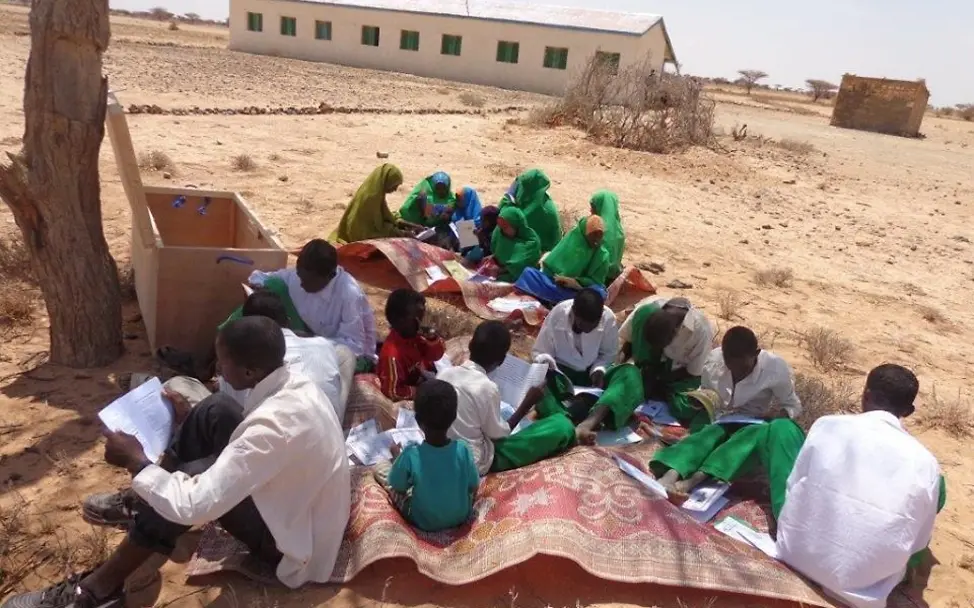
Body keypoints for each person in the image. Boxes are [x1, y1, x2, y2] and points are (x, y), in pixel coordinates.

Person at [12, 317, 351, 608]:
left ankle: (99, 590)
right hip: (298, 506)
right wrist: (185, 424)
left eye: (223, 361)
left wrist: (138, 464)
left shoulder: (275, 426)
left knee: (190, 479)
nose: (217, 367)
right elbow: (257, 444)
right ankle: (145, 502)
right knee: (214, 409)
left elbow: (194, 506)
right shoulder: (294, 382)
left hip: (293, 547)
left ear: (250, 370)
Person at [775, 364, 945, 608]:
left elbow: (793, 487)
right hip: (865, 591)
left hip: (795, 555)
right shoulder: (925, 462)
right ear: (908, 411)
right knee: (938, 491)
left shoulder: (827, 425)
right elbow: (918, 543)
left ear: (865, 395)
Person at [649, 326, 803, 497]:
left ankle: (693, 481)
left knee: (741, 443)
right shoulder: (714, 360)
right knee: (706, 436)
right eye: (731, 366)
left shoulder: (775, 368)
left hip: (752, 421)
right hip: (719, 417)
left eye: (743, 368)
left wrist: (778, 416)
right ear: (723, 354)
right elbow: (706, 389)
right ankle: (671, 474)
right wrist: (701, 400)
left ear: (757, 353)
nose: (737, 372)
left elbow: (793, 405)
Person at [441, 321, 576, 474]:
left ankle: (554, 414)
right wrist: (525, 406)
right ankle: (566, 420)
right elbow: (499, 435)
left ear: (470, 345)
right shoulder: (487, 388)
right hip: (476, 462)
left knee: (542, 396)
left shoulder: (444, 375)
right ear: (502, 360)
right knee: (562, 425)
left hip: (443, 452)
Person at [574, 296, 714, 444]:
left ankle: (652, 391)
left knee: (689, 406)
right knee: (626, 378)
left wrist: (659, 380)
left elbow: (693, 372)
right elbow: (626, 342)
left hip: (676, 374)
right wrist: (621, 366)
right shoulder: (645, 310)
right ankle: (589, 423)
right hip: (644, 368)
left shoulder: (701, 330)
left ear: (675, 333)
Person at [233, 239, 378, 370]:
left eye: (308, 280)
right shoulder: (299, 276)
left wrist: (310, 341)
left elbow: (354, 347)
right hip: (310, 336)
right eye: (300, 276)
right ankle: (228, 339)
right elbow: (261, 277)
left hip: (346, 354)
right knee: (269, 290)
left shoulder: (348, 294)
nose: (301, 284)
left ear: (329, 276)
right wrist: (259, 287)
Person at [222, 290, 353, 422]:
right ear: (288, 322)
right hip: (330, 428)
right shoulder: (323, 344)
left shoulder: (241, 366)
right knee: (344, 352)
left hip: (277, 433)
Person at [373, 380, 480, 532]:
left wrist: (397, 456)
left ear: (418, 421)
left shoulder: (411, 454)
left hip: (423, 520)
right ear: (454, 417)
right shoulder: (463, 450)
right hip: (461, 515)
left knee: (380, 467)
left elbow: (397, 486)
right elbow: (474, 486)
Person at [514, 214, 609, 306]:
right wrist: (559, 278)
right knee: (528, 273)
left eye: (599, 236)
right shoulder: (573, 239)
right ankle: (557, 300)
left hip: (579, 291)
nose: (596, 240)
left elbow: (597, 282)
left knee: (599, 293)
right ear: (584, 233)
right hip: (556, 284)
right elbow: (550, 268)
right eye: (593, 236)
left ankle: (553, 300)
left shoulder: (603, 255)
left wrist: (576, 283)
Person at [531, 288, 619, 389]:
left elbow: (608, 355)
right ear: (573, 311)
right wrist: (548, 364)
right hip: (559, 371)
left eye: (593, 325)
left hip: (589, 374)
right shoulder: (558, 313)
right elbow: (541, 351)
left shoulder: (608, 319)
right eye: (582, 324)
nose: (588, 329)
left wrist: (599, 370)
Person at [377, 289, 446, 401]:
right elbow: (393, 391)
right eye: (416, 319)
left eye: (422, 317)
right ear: (399, 320)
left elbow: (436, 356)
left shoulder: (415, 336)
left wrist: (432, 338)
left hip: (423, 378)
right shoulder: (392, 356)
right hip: (414, 389)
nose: (421, 324)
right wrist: (421, 391)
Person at [329, 163, 407, 244]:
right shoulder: (371, 198)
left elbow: (384, 216)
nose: (395, 189)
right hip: (358, 233)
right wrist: (398, 233)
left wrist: (401, 223)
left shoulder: (377, 194)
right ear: (386, 181)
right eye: (394, 186)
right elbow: (372, 229)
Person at [500, 169, 562, 252]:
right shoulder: (548, 204)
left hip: (529, 253)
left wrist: (508, 196)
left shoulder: (526, 210)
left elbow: (502, 215)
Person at [491, 207, 542, 282]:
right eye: (501, 227)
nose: (502, 230)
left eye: (506, 227)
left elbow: (519, 266)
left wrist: (500, 270)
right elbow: (497, 251)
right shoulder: (501, 234)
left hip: (521, 278)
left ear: (516, 224)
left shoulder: (531, 243)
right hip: (497, 273)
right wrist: (492, 258)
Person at [589, 190, 625, 282]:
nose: (590, 210)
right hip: (614, 275)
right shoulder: (619, 229)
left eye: (593, 207)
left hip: (597, 277)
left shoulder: (599, 229)